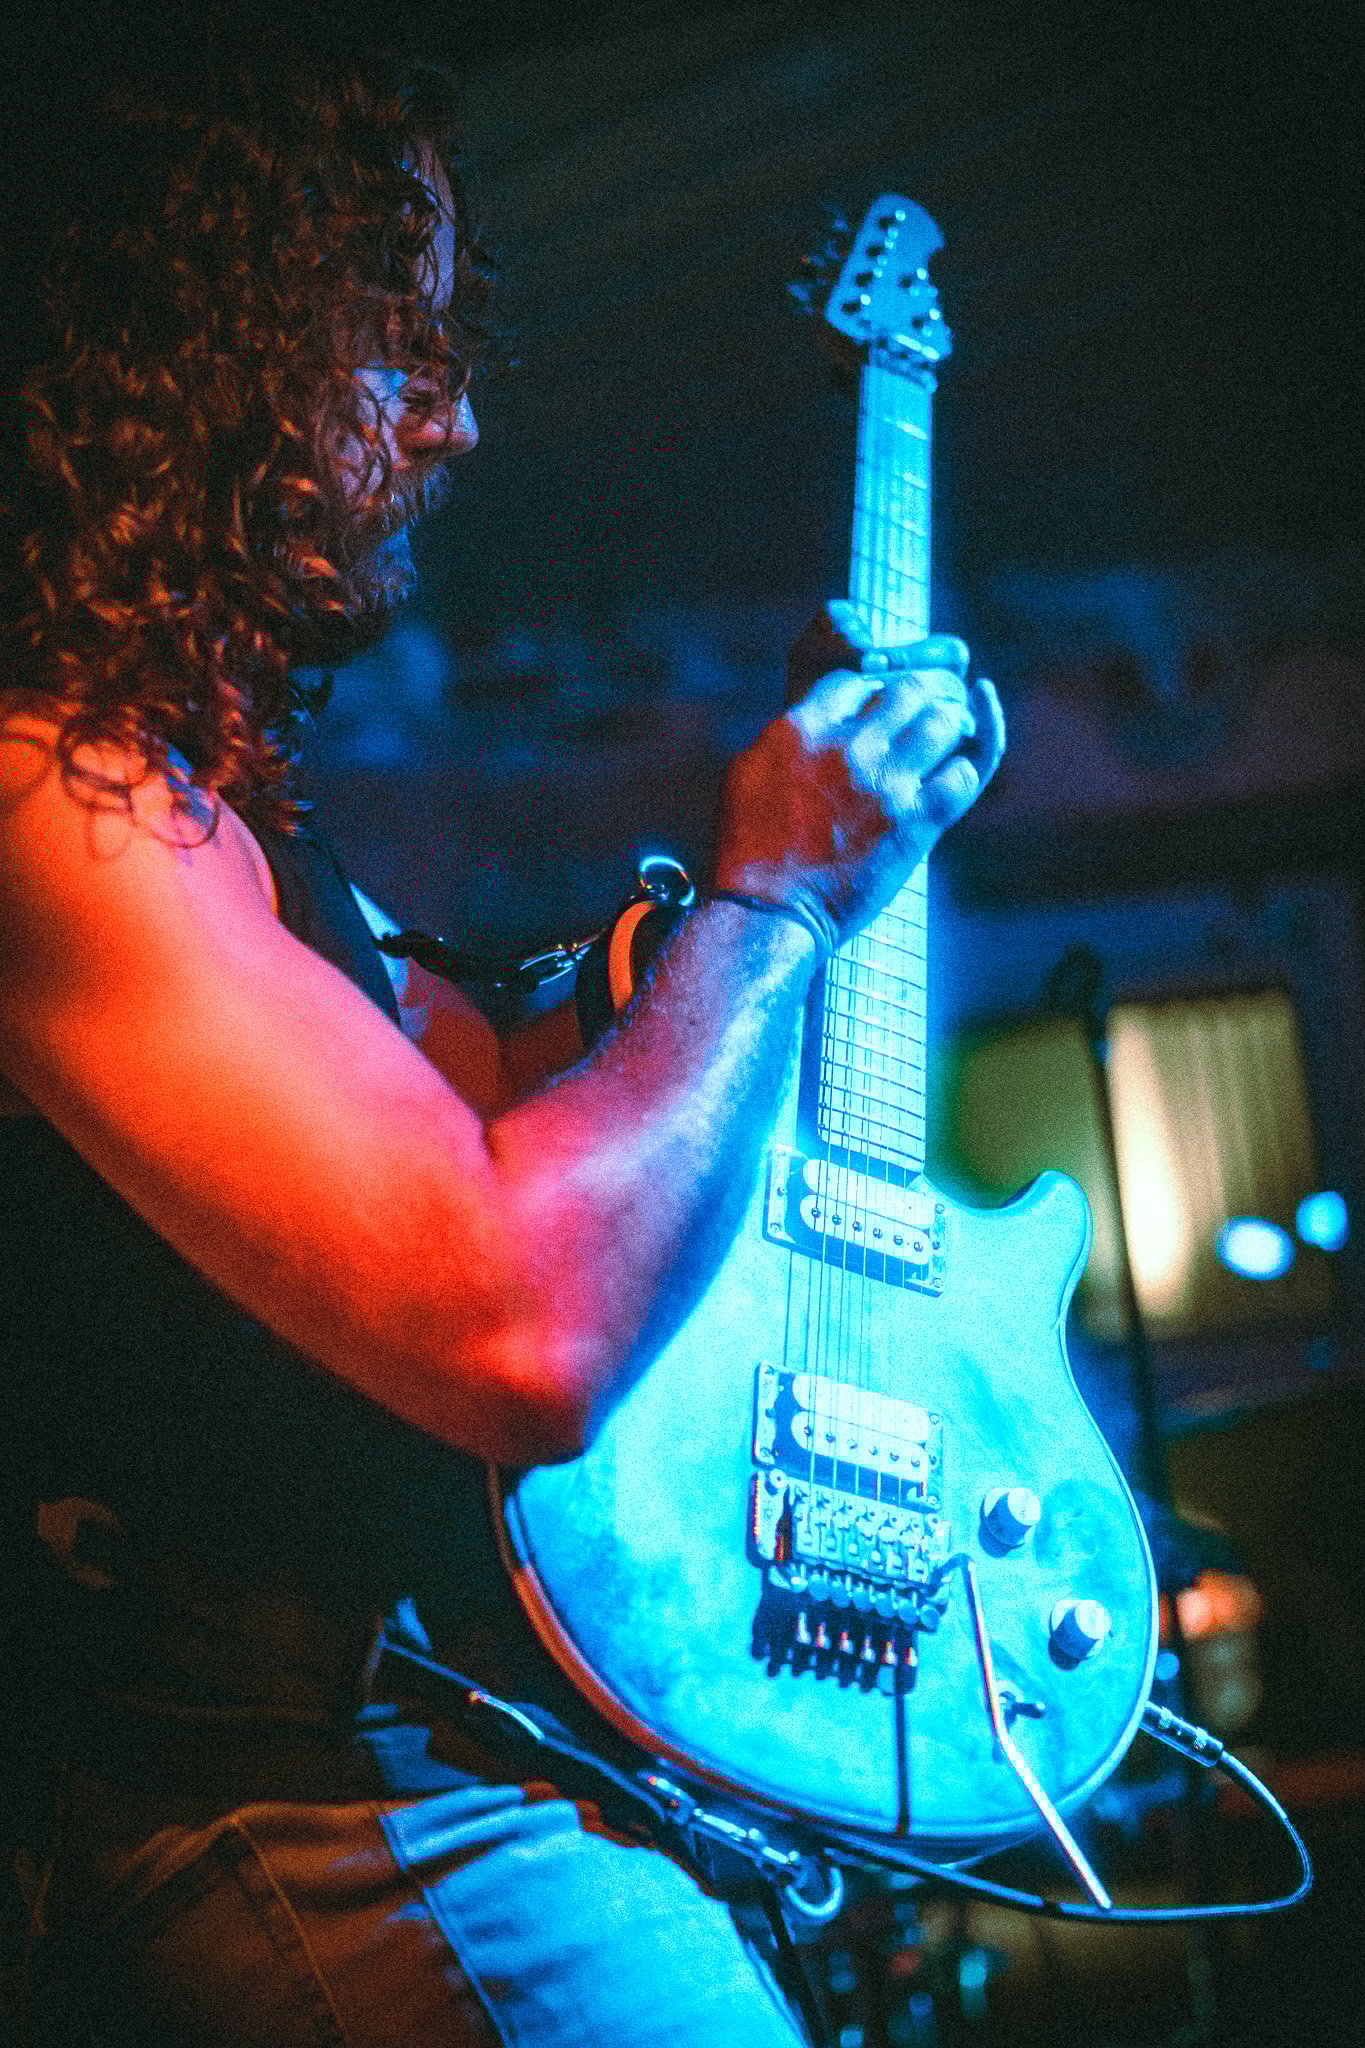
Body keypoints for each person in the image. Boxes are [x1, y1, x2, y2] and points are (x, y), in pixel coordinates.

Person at [0, 17, 1004, 2045]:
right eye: (393, 339)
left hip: (435, 1735)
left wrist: (698, 941)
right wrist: (770, 895)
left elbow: (506, 1137)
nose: (446, 427)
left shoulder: (191, 808)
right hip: (294, 1802)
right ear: (193, 351)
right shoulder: (44, 792)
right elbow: (518, 1321)